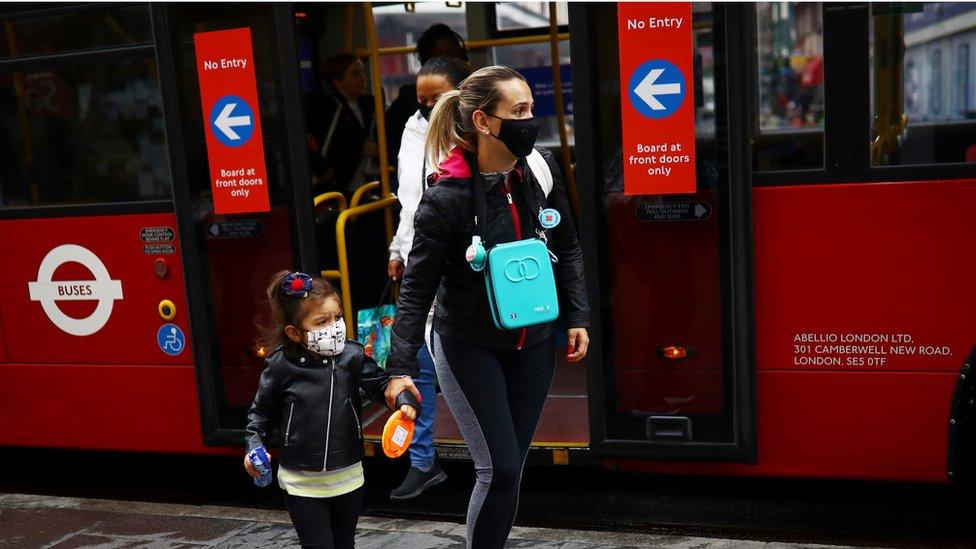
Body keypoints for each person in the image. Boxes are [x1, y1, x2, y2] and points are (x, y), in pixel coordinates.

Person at [384, 66, 590, 548]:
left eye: (530, 110)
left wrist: (577, 315)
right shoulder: (445, 199)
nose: (530, 121)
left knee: (511, 470)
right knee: (496, 467)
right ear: (483, 120)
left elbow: (569, 243)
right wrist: (399, 368)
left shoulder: (539, 169)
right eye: (518, 112)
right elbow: (416, 289)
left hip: (535, 341)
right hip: (467, 344)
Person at [244, 271, 420, 549]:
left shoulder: (353, 356)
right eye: (322, 321)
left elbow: (383, 385)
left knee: (344, 544)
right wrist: (254, 446)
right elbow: (259, 414)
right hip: (301, 482)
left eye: (337, 317)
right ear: (294, 332)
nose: (335, 326)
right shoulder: (280, 365)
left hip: (348, 477)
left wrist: (404, 401)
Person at [387, 56, 472, 501]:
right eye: (420, 101)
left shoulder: (479, 132)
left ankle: (494, 462)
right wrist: (398, 250)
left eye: (436, 99)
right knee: (418, 362)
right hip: (424, 256)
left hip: (468, 263)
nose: (426, 109)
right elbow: (409, 198)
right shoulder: (414, 128)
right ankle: (423, 461)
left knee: (470, 362)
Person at [385, 23, 469, 178]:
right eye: (438, 57)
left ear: (463, 56)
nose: (446, 62)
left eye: (450, 54)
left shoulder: (481, 95)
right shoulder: (411, 111)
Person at [307, 54, 379, 195]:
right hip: (340, 187)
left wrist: (378, 152)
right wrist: (322, 168)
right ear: (338, 82)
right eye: (354, 74)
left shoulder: (371, 105)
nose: (363, 78)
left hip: (369, 185)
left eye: (362, 72)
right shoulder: (325, 110)